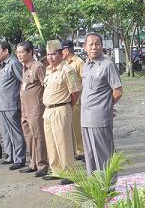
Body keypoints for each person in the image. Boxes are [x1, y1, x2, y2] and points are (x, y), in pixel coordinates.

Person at [81, 32, 123, 183]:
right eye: (90, 44)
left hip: (100, 118)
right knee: (90, 154)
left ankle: (108, 186)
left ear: (102, 46)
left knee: (104, 154)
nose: (94, 47)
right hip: (85, 118)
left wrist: (107, 106)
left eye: (97, 43)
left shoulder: (107, 64)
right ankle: (95, 185)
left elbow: (118, 91)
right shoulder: (86, 66)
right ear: (85, 47)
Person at [42, 40, 81, 185]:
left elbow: (75, 92)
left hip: (61, 108)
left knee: (63, 142)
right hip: (48, 110)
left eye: (53, 54)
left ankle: (70, 173)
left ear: (61, 54)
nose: (50, 57)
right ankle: (57, 170)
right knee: (51, 142)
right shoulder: (49, 70)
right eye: (48, 54)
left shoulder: (67, 70)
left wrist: (68, 106)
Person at [16, 41, 49, 177]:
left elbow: (46, 86)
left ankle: (42, 164)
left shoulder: (38, 67)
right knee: (29, 137)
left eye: (22, 52)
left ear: (30, 52)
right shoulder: (24, 68)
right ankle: (33, 163)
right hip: (25, 109)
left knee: (39, 137)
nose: (19, 55)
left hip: (36, 109)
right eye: (17, 52)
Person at [0, 41, 26, 169]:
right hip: (1, 104)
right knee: (5, 133)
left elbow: (23, 81)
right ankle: (10, 156)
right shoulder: (3, 65)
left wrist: (19, 100)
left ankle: (19, 159)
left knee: (15, 132)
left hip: (10, 104)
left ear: (6, 51)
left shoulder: (13, 63)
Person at [61, 40, 85, 161]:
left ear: (67, 50)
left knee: (77, 127)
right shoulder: (63, 63)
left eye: (62, 51)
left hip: (77, 100)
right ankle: (75, 149)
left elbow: (84, 81)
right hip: (66, 100)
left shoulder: (79, 62)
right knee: (69, 127)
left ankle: (81, 150)